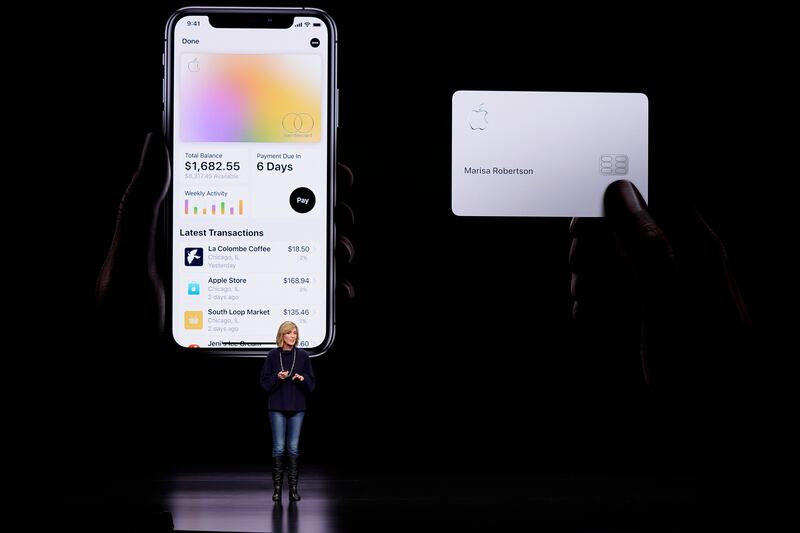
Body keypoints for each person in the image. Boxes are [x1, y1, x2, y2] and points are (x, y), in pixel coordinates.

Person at [260, 321, 316, 502]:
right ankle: (277, 490)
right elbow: (264, 382)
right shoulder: (272, 355)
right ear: (282, 335)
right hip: (276, 405)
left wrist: (302, 378)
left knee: (293, 448)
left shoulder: (303, 356)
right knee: (278, 447)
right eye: (290, 333)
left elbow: (311, 384)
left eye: (295, 333)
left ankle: (293, 489)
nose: (293, 336)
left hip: (297, 406)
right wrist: (277, 377)